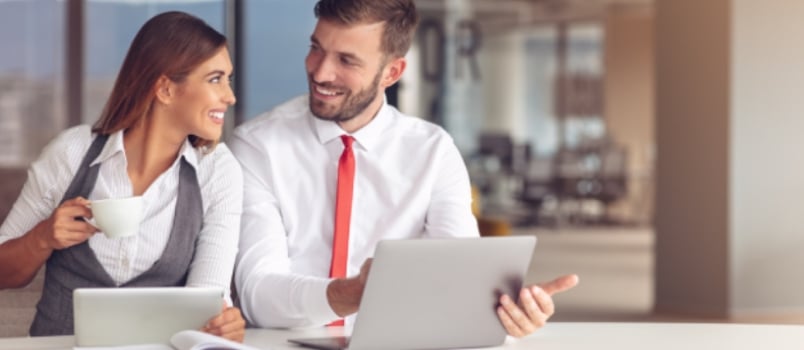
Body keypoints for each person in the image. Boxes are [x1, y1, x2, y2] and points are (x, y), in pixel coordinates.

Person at [230, 0, 578, 338]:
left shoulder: (433, 152)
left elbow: (461, 274)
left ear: (392, 72)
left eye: (346, 60)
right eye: (316, 48)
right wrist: (353, 293)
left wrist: (507, 310)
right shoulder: (258, 147)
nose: (320, 71)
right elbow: (257, 294)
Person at [0, 11, 245, 342]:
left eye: (228, 80)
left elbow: (207, 298)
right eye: (215, 79)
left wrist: (220, 325)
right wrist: (42, 237)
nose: (229, 96)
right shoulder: (71, 153)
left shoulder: (217, 170)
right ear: (165, 89)